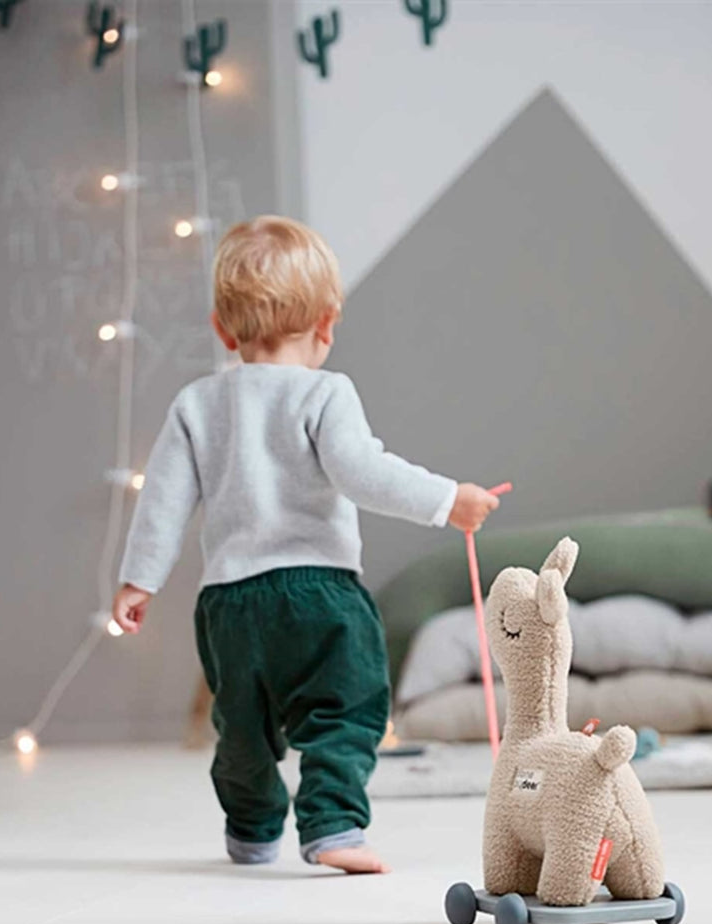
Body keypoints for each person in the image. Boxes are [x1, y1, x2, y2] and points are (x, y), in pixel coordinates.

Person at [113, 216, 500, 874]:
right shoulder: (326, 392)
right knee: (347, 708)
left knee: (242, 724)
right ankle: (333, 825)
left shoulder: (197, 403)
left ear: (221, 328)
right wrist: (448, 500)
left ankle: (252, 828)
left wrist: (138, 580)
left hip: (230, 604)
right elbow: (362, 472)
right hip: (321, 594)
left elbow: (164, 501)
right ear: (326, 324)